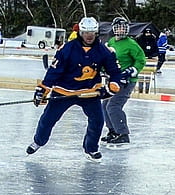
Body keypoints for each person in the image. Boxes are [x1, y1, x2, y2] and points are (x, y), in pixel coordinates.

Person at [27, 16, 127, 161]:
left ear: (96, 32)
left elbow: (115, 71)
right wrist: (43, 89)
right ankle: (38, 141)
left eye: (92, 32)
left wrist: (114, 85)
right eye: (86, 32)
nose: (89, 36)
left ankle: (91, 148)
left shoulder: (103, 51)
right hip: (64, 91)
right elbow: (54, 70)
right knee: (48, 119)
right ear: (80, 32)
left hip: (89, 92)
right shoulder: (68, 48)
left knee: (97, 121)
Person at [102, 17, 147, 148]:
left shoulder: (131, 44)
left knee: (113, 106)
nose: (121, 29)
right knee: (105, 105)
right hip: (113, 80)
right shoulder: (111, 42)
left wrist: (131, 71)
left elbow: (141, 60)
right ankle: (113, 131)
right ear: (114, 28)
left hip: (126, 81)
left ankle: (123, 134)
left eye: (124, 27)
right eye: (119, 27)